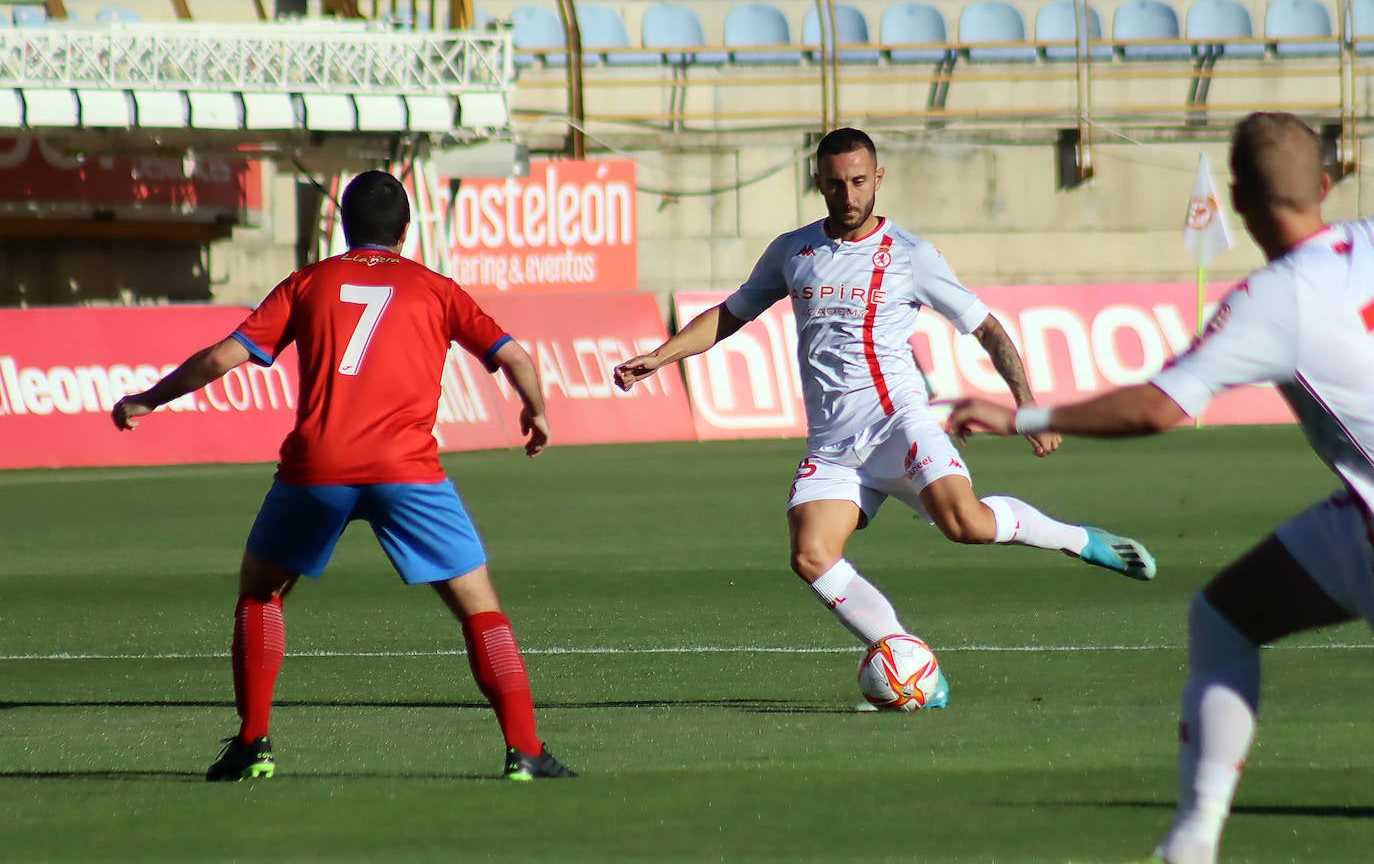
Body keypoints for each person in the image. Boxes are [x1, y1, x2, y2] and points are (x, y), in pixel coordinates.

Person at [947, 111, 1373, 864]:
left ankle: (1195, 838)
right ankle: (1191, 844)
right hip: (1359, 516)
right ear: (1329, 184)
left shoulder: (1274, 299)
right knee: (1226, 614)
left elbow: (1156, 407)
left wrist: (1025, 415)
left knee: (1223, 624)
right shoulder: (1368, 239)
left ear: (1237, 200)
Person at [613, 128, 1156, 710]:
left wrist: (1026, 404)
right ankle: (906, 660)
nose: (847, 195)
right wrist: (661, 356)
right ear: (817, 182)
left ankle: (1079, 540)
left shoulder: (911, 255)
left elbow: (988, 328)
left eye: (858, 181)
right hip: (833, 444)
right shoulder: (792, 251)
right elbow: (730, 314)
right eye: (835, 183)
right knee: (811, 555)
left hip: (900, 424)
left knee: (965, 525)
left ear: (878, 178)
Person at [111, 170, 576, 783]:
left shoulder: (309, 283)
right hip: (406, 469)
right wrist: (536, 411)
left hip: (317, 467)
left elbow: (223, 356)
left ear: (342, 227)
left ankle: (253, 745)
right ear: (405, 232)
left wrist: (151, 396)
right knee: (478, 609)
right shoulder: (435, 289)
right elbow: (514, 355)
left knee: (260, 592)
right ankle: (526, 752)